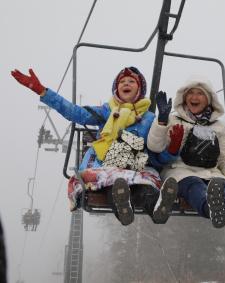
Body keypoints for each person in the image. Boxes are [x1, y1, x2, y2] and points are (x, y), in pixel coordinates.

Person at [11, 67, 183, 226]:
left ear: (139, 89)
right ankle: (123, 208)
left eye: (131, 81)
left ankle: (157, 206)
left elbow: (155, 147)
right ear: (116, 89)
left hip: (136, 164)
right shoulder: (107, 111)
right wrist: (43, 91)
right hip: (107, 162)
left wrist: (171, 145)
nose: (126, 84)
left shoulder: (149, 118)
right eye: (122, 82)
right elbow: (75, 112)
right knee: (112, 183)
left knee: (144, 185)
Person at [147, 77, 225, 228]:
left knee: (220, 186)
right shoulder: (173, 119)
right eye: (190, 93)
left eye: (200, 94)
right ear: (184, 97)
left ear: (208, 99)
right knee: (195, 187)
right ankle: (210, 208)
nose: (194, 97)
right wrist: (161, 122)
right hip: (180, 172)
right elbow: (155, 147)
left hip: (211, 172)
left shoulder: (218, 127)